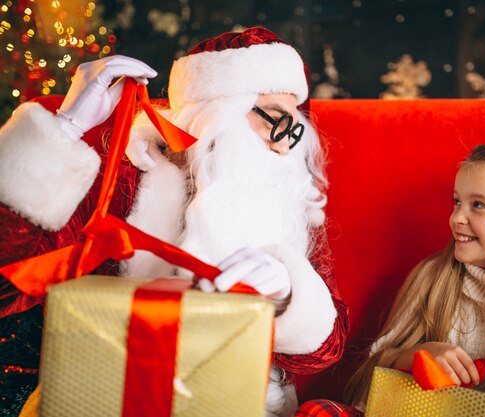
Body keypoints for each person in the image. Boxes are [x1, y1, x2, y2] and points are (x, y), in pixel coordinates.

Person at [0, 27, 348, 417]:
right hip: (113, 396)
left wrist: (287, 295)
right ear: (217, 114)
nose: (286, 146)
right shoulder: (123, 181)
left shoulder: (286, 202)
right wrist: (65, 127)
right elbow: (10, 279)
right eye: (277, 121)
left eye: (294, 129)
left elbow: (327, 349)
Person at [298, 141, 485, 416]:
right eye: (457, 201)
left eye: (478, 205)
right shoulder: (434, 278)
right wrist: (413, 356)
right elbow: (374, 374)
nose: (456, 218)